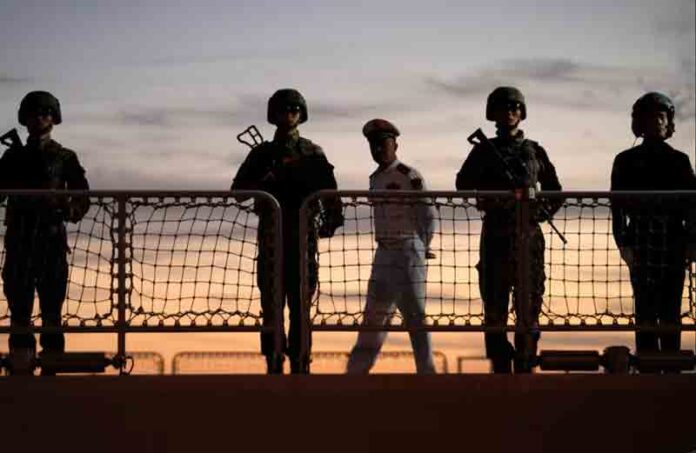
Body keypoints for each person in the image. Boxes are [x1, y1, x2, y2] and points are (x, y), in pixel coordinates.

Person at [231, 88, 343, 374]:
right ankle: (273, 359)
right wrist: (265, 179)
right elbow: (238, 193)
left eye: (295, 109)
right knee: (271, 301)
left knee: (301, 302)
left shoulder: (313, 152)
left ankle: (301, 359)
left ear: (301, 114)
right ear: (275, 114)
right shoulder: (262, 154)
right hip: (271, 237)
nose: (289, 114)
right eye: (284, 109)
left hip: (303, 237)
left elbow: (330, 193)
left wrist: (332, 219)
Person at [456, 87, 562, 373]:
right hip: (495, 235)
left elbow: (556, 191)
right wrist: (492, 193)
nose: (510, 112)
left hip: (528, 238)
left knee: (529, 311)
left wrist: (538, 212)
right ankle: (500, 373)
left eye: (515, 107)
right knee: (495, 310)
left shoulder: (534, 151)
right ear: (493, 114)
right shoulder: (483, 150)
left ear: (522, 113)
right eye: (504, 108)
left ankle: (525, 367)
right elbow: (463, 184)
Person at [0, 91, 90, 373]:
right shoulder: (13, 157)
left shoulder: (64, 157)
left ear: (54, 119)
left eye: (45, 114)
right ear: (24, 119)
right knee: (19, 307)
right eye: (34, 114)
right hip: (20, 237)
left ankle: (51, 368)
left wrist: (68, 210)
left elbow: (82, 196)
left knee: (52, 307)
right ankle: (21, 366)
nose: (39, 119)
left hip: (50, 237)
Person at [346, 119, 437, 374]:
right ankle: (356, 372)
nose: (378, 149)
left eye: (383, 143)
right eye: (373, 145)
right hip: (384, 251)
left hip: (408, 249)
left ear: (395, 144)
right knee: (374, 316)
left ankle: (427, 373)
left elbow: (428, 215)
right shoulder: (375, 179)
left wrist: (421, 246)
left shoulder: (409, 176)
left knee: (415, 316)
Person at [611, 92, 695, 359]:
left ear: (668, 121)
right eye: (649, 117)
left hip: (674, 239)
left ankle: (669, 365)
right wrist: (623, 244)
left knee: (671, 306)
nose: (655, 122)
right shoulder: (624, 161)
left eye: (661, 116)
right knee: (645, 307)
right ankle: (647, 366)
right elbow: (617, 208)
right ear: (639, 122)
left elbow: (693, 207)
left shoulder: (679, 161)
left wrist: (693, 243)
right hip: (640, 238)